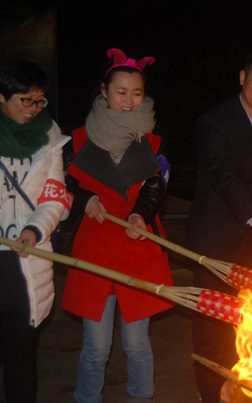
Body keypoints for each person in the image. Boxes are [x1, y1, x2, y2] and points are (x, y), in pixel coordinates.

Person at [61, 48, 174, 402]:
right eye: (121, 91)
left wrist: (140, 213)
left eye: (136, 93)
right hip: (94, 248)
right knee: (95, 347)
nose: (129, 100)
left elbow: (156, 187)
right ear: (104, 91)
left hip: (136, 244)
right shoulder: (78, 138)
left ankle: (141, 398)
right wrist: (85, 200)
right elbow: (67, 184)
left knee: (137, 343)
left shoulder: (154, 139)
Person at [184, 49, 252, 403]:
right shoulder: (214, 121)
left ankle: (243, 393)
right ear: (243, 78)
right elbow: (225, 179)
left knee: (251, 325)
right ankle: (211, 396)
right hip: (216, 242)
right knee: (212, 327)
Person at [0, 59, 71, 402]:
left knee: (21, 355)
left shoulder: (50, 137)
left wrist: (35, 228)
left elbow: (54, 196)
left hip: (25, 263)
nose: (33, 108)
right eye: (25, 100)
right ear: (1, 97)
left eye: (39, 101)